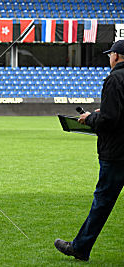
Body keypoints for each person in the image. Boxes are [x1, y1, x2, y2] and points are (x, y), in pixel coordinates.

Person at [54, 40, 124, 261]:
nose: (109, 59)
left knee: (102, 201)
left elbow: (110, 120)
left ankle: (80, 247)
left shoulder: (114, 79)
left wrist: (90, 118)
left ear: (117, 56)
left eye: (110, 54)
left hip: (116, 153)